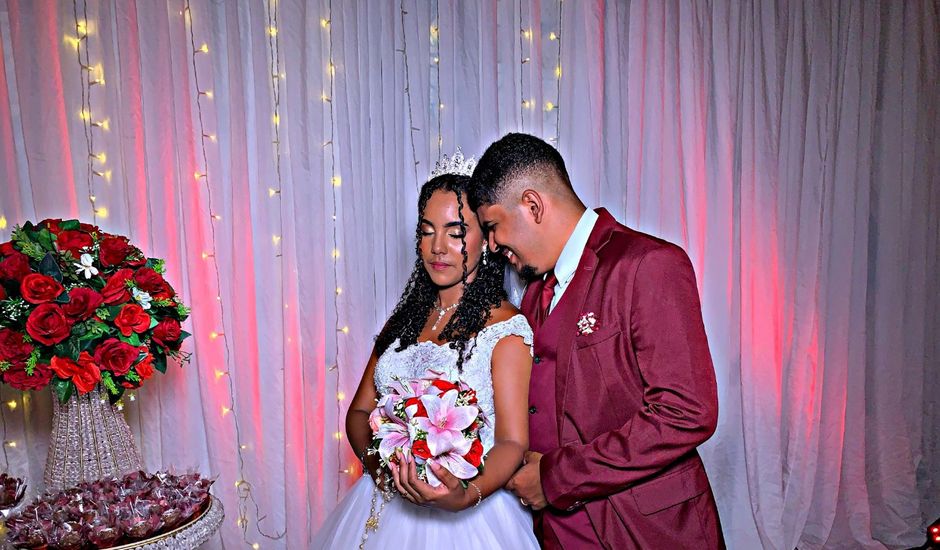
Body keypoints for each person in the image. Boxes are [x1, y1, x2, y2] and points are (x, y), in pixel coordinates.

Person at [469, 133, 724, 549]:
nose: (493, 246)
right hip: (555, 531)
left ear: (532, 205)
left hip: (646, 530)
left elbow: (686, 411)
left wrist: (556, 478)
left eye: (494, 227)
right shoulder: (535, 292)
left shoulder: (648, 264)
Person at [313, 151, 539, 549]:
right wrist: (383, 469)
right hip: (383, 506)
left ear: (485, 238)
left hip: (471, 518)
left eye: (454, 232)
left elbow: (512, 442)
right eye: (426, 230)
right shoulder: (402, 321)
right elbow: (359, 412)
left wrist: (465, 493)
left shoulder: (505, 328)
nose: (437, 247)